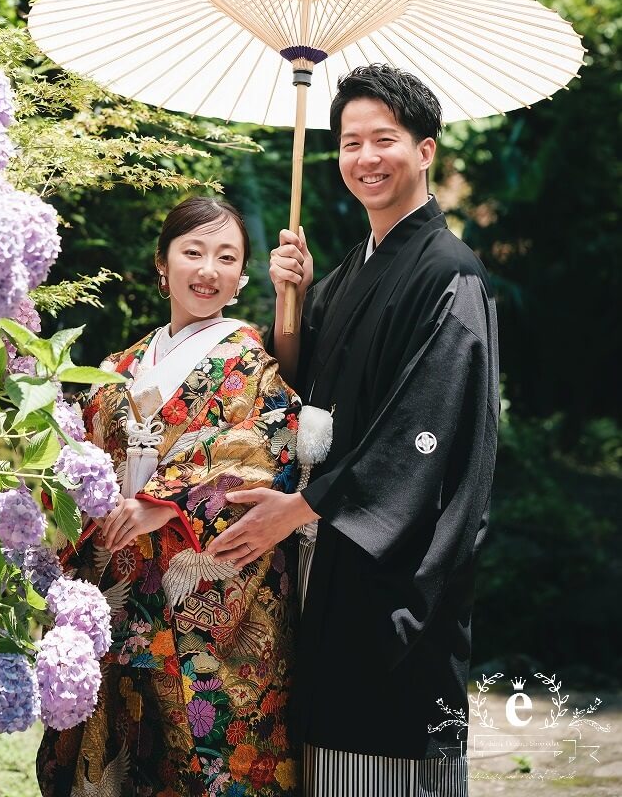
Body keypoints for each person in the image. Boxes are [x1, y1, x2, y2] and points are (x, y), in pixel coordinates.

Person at [209, 65, 500, 797]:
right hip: (325, 553)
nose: (364, 158)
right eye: (348, 143)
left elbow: (423, 428)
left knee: (385, 747)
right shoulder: (346, 272)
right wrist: (291, 301)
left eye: (384, 140)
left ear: (425, 150)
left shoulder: (448, 273)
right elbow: (294, 388)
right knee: (323, 750)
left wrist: (302, 508)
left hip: (391, 567)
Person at [37, 196, 300, 797]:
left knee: (206, 758)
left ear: (240, 278)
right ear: (163, 264)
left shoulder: (250, 364)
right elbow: (79, 462)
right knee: (119, 757)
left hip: (208, 605)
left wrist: (164, 498)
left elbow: (268, 447)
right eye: (193, 251)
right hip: (122, 586)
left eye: (226, 257)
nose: (208, 269)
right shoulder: (121, 365)